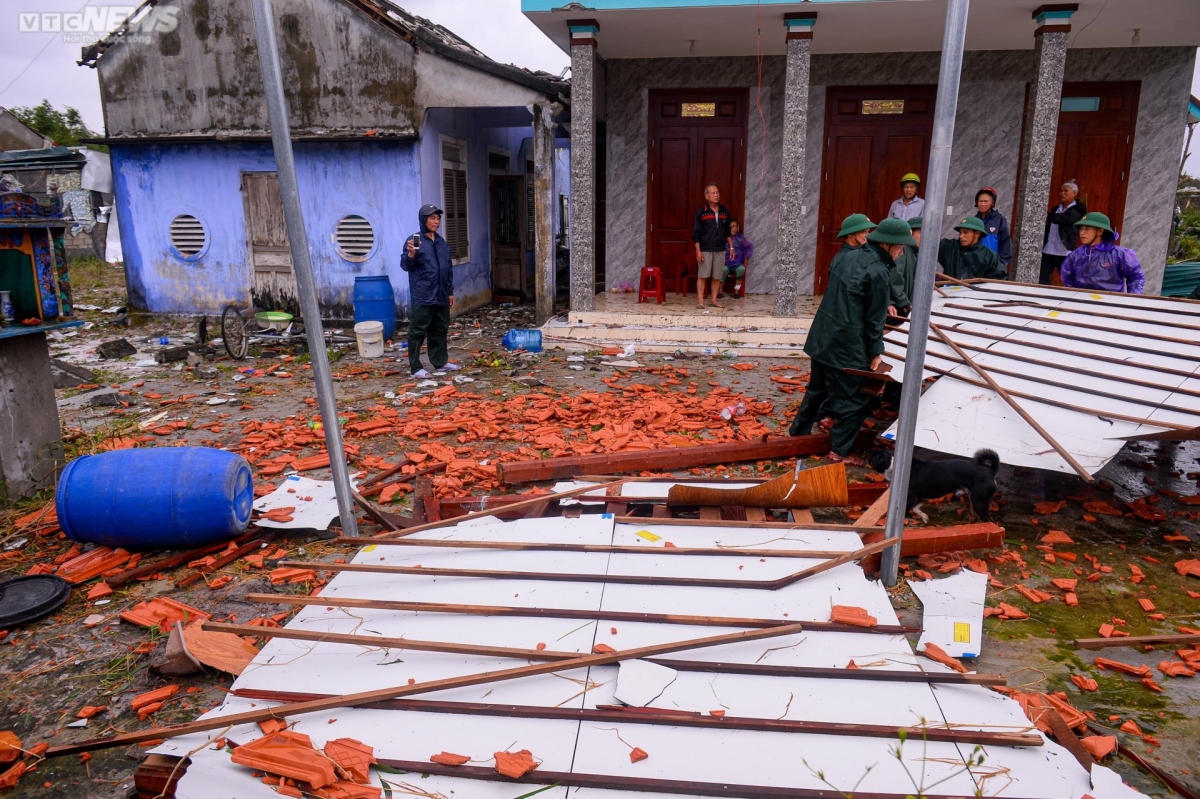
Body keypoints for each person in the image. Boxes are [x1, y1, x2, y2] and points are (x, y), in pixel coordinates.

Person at [789, 216, 912, 464]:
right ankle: (839, 452)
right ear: (886, 245)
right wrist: (876, 351)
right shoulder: (878, 271)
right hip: (846, 344)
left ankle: (797, 433)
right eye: (900, 247)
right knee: (855, 400)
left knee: (817, 389)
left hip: (822, 336)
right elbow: (874, 319)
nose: (901, 253)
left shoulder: (845, 255)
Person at [400, 203, 459, 377]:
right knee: (417, 331)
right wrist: (411, 255)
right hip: (423, 294)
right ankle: (416, 367)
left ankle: (440, 362)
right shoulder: (416, 239)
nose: (437, 221)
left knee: (440, 328)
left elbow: (447, 268)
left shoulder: (441, 242)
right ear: (423, 220)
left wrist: (450, 291)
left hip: (441, 294)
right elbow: (405, 265)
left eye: (438, 218)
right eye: (432, 218)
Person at [1059, 212, 1145, 294]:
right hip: (1082, 300)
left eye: (1087, 229)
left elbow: (1136, 277)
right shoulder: (1075, 255)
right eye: (1081, 229)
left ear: (1100, 231)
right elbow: (1067, 278)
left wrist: (1132, 299)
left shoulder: (1121, 254)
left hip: (1111, 302)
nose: (1082, 232)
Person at [691, 183, 733, 308]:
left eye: (717, 192)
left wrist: (731, 247)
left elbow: (727, 233)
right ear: (706, 196)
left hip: (720, 249)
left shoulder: (724, 211)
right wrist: (698, 252)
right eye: (713, 193)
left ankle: (714, 300)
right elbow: (696, 234)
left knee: (716, 277)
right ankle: (700, 301)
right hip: (705, 249)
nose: (716, 195)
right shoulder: (701, 212)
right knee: (703, 275)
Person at [1040, 181, 1087, 284]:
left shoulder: (1078, 209)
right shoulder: (1056, 208)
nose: (1062, 193)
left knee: (1068, 279)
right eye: (1061, 191)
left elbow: (1065, 218)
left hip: (1064, 251)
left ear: (1074, 193)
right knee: (1042, 278)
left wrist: (1048, 215)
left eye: (1066, 191)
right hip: (1048, 249)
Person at [938, 216, 1007, 280]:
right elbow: (931, 245)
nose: (961, 236)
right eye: (960, 232)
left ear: (977, 234)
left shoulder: (990, 256)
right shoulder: (949, 247)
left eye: (966, 232)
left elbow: (998, 280)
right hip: (947, 292)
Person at [888, 215, 921, 317]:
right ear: (911, 233)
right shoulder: (903, 250)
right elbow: (895, 277)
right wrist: (904, 302)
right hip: (897, 307)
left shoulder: (916, 252)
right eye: (920, 233)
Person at [974, 187, 1012, 270]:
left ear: (992, 203)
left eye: (986, 201)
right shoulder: (973, 221)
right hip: (975, 266)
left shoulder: (1000, 220)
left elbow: (1006, 243)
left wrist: (1001, 265)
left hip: (993, 267)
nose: (983, 204)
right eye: (980, 201)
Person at [720, 220, 753, 297]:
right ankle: (719, 290)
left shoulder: (741, 238)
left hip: (737, 263)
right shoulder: (723, 238)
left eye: (736, 227)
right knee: (723, 270)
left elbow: (749, 247)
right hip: (725, 263)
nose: (734, 229)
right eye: (732, 227)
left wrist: (746, 257)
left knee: (741, 269)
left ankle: (736, 290)